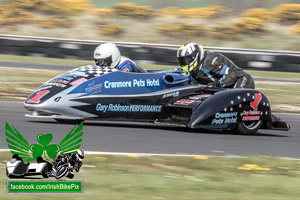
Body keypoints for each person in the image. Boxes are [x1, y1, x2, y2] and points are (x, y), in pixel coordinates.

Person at [177, 42, 255, 89]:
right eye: (183, 60)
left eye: (188, 59)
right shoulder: (192, 70)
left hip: (241, 80)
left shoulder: (212, 61)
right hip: (223, 88)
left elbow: (233, 75)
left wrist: (217, 84)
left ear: (195, 55)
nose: (185, 62)